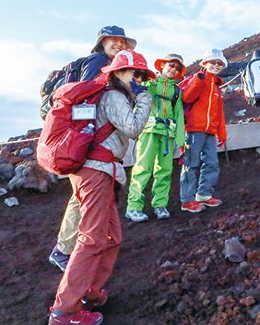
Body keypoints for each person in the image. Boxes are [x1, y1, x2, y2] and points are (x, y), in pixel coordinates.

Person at [48, 50, 153, 325]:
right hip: (96, 172)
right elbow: (132, 128)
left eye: (142, 75)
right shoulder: (113, 95)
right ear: (117, 73)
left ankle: (90, 293)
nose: (139, 79)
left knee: (111, 237)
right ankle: (64, 311)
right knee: (93, 238)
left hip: (98, 171)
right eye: (135, 73)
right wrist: (144, 99)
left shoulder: (108, 96)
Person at [49, 26, 137, 273]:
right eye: (114, 40)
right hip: (90, 140)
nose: (119, 44)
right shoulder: (98, 60)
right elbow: (85, 94)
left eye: (123, 41)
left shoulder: (108, 65)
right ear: (102, 42)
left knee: (83, 198)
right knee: (84, 198)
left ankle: (71, 248)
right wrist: (86, 132)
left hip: (91, 137)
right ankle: (67, 251)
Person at [125, 54, 187, 222]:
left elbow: (179, 115)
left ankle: (160, 205)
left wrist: (181, 141)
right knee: (142, 169)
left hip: (167, 135)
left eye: (177, 67)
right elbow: (135, 94)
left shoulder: (176, 91)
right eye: (171, 65)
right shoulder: (148, 84)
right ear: (162, 65)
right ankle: (134, 207)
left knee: (165, 171)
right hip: (148, 132)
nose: (173, 69)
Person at [179, 49, 227, 213]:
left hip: (210, 131)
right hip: (194, 129)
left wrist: (222, 134)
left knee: (212, 163)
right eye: (212, 61)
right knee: (191, 164)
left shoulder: (217, 86)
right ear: (204, 63)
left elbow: (219, 113)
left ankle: (204, 194)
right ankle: (187, 200)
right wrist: (199, 81)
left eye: (219, 63)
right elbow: (187, 97)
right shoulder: (198, 78)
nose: (215, 65)